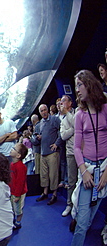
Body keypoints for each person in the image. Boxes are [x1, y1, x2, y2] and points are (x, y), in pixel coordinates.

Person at [71, 70, 107, 246]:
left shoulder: (105, 108)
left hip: (105, 168)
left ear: (89, 84)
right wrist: (84, 171)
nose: (77, 89)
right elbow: (76, 147)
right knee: (83, 222)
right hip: (89, 169)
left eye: (79, 84)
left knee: (91, 217)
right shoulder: (80, 115)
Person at [34, 104, 62, 205]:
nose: (44, 112)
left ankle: (54, 194)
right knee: (44, 175)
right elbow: (34, 137)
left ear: (48, 110)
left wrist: (57, 144)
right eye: (41, 111)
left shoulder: (55, 119)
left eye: (45, 110)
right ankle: (45, 193)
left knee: (53, 175)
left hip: (52, 153)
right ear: (40, 113)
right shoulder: (40, 124)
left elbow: (61, 131)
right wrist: (37, 138)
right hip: (43, 153)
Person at [59, 95, 77, 217]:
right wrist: (73, 130)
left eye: (64, 101)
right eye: (60, 102)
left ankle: (79, 205)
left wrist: (73, 128)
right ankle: (69, 204)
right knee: (71, 181)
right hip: (70, 153)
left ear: (70, 103)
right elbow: (63, 136)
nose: (61, 103)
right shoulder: (63, 119)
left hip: (83, 151)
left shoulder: (78, 112)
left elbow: (78, 125)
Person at [9, 143, 28, 229]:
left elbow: (20, 182)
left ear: (18, 155)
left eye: (14, 148)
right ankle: (12, 220)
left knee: (18, 209)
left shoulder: (21, 167)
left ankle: (18, 222)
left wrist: (17, 195)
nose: (11, 149)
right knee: (12, 208)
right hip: (11, 191)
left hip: (18, 193)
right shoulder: (12, 165)